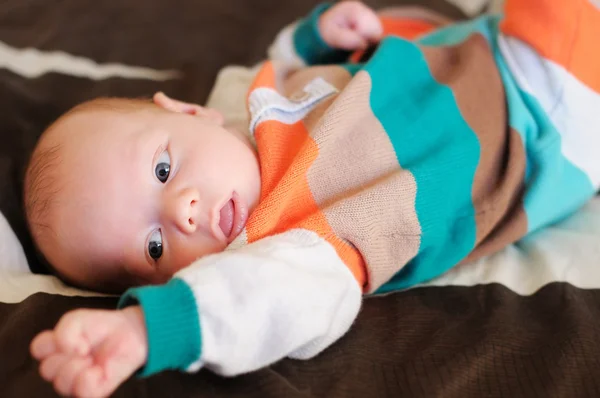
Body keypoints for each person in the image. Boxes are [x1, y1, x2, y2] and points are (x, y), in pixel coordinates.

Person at [26, 0, 600, 396]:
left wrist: (315, 38)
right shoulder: (286, 245)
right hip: (541, 118)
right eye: (153, 247)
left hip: (482, 45)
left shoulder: (230, 111)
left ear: (187, 112)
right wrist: (146, 332)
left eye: (161, 168)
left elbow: (276, 63)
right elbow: (265, 306)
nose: (183, 210)